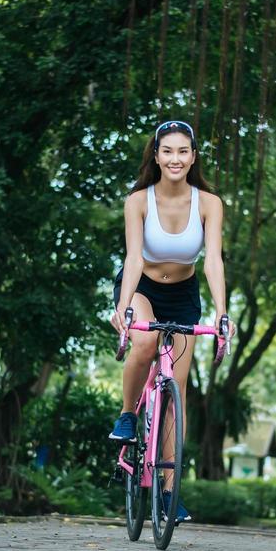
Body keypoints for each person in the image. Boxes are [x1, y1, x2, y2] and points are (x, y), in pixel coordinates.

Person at [109, 119, 227, 524]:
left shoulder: (209, 203)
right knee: (143, 344)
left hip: (183, 294)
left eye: (183, 151)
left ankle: (169, 494)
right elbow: (133, 259)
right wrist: (124, 306)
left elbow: (212, 260)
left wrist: (222, 312)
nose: (175, 159)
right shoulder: (138, 201)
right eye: (167, 151)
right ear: (156, 156)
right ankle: (127, 414)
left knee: (176, 388)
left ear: (193, 157)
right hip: (142, 288)